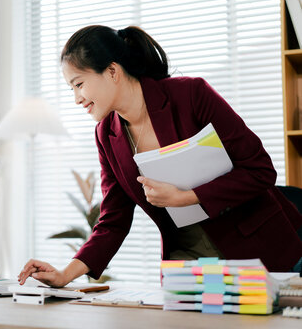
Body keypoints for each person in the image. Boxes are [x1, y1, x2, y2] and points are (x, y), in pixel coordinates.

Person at [17, 25, 302, 287]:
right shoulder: (107, 134)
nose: (76, 98)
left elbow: (260, 170)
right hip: (191, 269)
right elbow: (114, 219)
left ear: (113, 72)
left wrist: (187, 196)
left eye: (79, 84)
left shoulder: (191, 95)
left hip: (258, 254)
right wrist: (66, 274)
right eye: (71, 88)